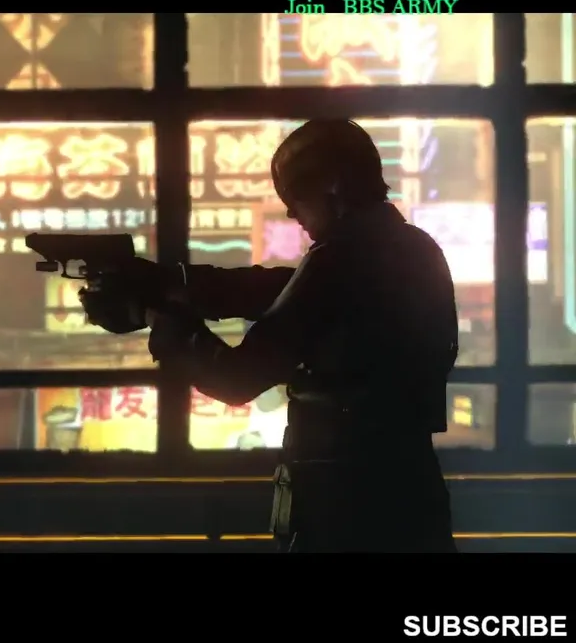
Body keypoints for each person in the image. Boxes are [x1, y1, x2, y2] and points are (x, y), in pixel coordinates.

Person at [81, 119, 460, 553]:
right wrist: (170, 285)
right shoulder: (409, 248)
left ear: (332, 187)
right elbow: (285, 293)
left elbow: (236, 378)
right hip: (396, 486)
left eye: (295, 197)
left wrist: (155, 313)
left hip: (345, 500)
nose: (292, 214)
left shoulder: (340, 258)